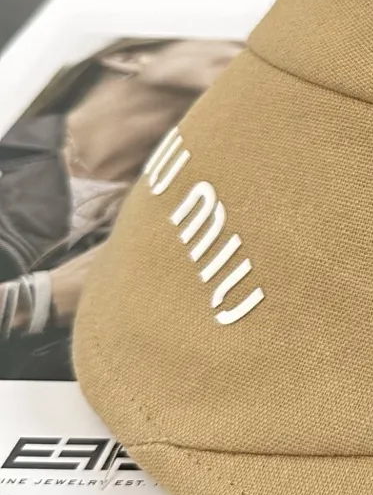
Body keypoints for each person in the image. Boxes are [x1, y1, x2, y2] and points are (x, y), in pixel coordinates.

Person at [0, 38, 241, 380]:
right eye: (236, 43)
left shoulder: (193, 209)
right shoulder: (10, 147)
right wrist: (34, 300)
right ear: (126, 56)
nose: (251, 58)